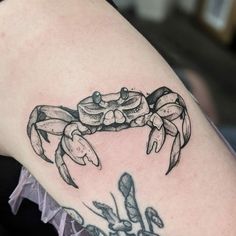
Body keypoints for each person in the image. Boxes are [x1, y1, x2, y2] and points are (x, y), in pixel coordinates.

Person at [0, 0, 235, 235]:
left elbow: (173, 104)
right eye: (100, 106)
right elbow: (40, 118)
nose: (112, 113)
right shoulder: (37, 31)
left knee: (192, 86)